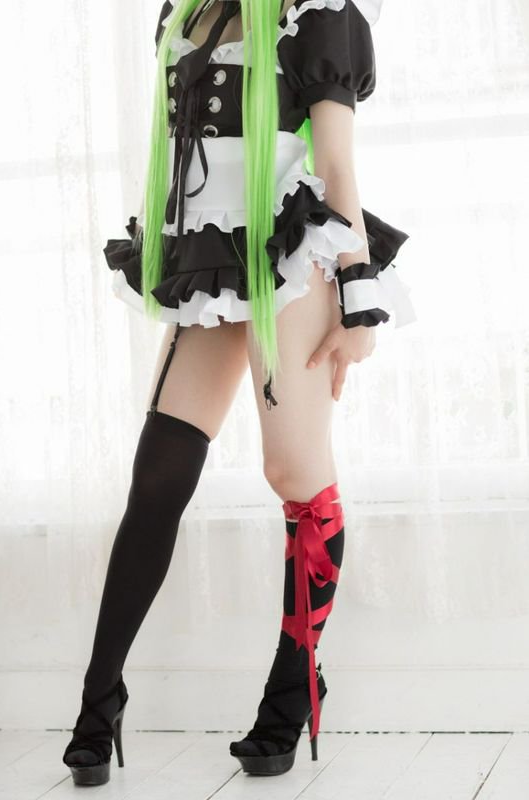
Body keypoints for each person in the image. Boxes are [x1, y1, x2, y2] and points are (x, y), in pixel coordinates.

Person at [62, 0, 416, 786]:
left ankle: (294, 685)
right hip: (209, 253)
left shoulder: (314, 12)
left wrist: (358, 299)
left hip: (289, 250)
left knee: (293, 473)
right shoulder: (184, 11)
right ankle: (98, 697)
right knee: (157, 475)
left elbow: (336, 162)